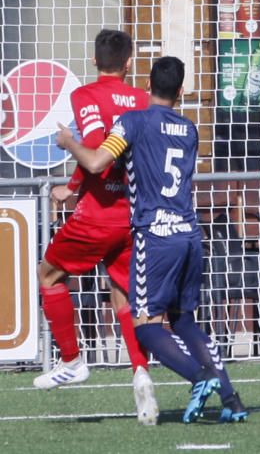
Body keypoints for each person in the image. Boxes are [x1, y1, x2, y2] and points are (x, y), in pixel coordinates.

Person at [55, 57, 247, 425]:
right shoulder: (189, 129)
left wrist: (70, 142)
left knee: (145, 326)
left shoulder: (133, 121)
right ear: (181, 91)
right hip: (190, 234)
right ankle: (232, 399)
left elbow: (96, 162)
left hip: (155, 235)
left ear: (147, 87)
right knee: (185, 322)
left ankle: (199, 376)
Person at [32, 29, 158, 425]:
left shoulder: (85, 96)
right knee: (123, 297)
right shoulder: (141, 99)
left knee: (49, 275)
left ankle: (71, 360)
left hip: (97, 213)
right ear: (128, 62)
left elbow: (94, 145)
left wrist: (69, 188)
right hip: (132, 215)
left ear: (93, 61)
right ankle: (141, 374)